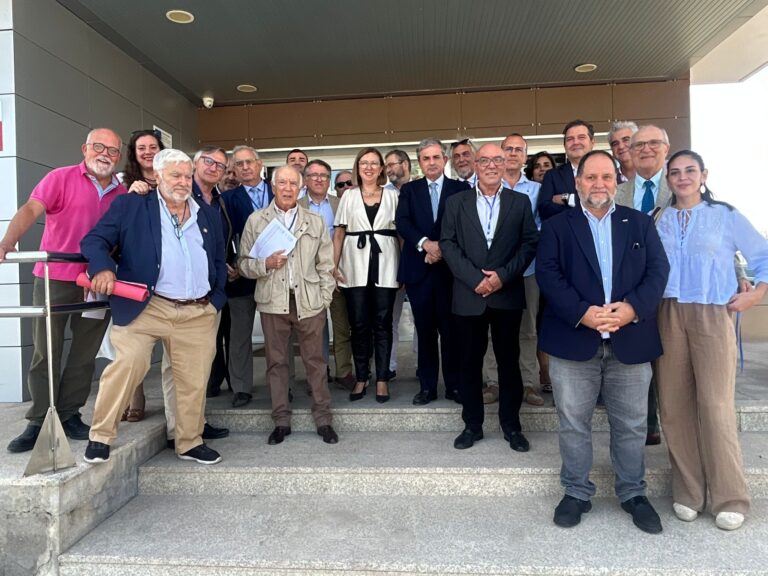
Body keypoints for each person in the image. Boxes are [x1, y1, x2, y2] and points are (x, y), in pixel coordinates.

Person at [537, 150, 669, 533]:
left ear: (617, 181)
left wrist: (632, 309)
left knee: (630, 425)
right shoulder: (558, 227)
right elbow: (548, 274)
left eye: (606, 177)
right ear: (577, 184)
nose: (599, 184)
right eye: (590, 177)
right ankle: (577, 492)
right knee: (573, 423)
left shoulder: (640, 223)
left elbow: (658, 271)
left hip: (631, 339)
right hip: (573, 339)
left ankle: (633, 493)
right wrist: (582, 312)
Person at [80, 148, 226, 465]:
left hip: (197, 311)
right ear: (157, 176)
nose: (184, 181)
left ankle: (189, 441)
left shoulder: (206, 212)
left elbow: (217, 258)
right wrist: (102, 268)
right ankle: (100, 435)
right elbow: (94, 240)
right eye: (176, 175)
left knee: (193, 379)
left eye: (188, 175)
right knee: (128, 364)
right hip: (147, 306)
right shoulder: (132, 205)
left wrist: (215, 300)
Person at [655, 150, 768, 531]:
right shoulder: (660, 219)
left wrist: (754, 294)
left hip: (712, 314)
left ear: (703, 175)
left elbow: (762, 254)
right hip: (668, 313)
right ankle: (688, 491)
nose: (682, 177)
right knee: (673, 405)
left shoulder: (726, 215)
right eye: (675, 172)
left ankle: (729, 496)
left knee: (716, 405)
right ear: (667, 180)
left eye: (690, 170)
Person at [2, 128, 127, 453]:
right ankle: (39, 419)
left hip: (97, 283)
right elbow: (31, 208)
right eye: (99, 147)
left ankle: (70, 414)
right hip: (55, 278)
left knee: (85, 354)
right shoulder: (60, 177)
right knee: (47, 350)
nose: (105, 154)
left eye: (113, 151)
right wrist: (7, 241)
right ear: (85, 148)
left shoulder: (123, 192)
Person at [440, 143, 538, 452]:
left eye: (498, 159)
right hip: (469, 295)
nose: (492, 165)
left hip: (506, 294)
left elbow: (528, 244)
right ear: (476, 164)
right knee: (469, 363)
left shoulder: (520, 202)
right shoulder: (456, 202)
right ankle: (472, 425)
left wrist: (501, 277)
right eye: (485, 160)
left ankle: (511, 426)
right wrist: (475, 279)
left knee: (509, 362)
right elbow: (448, 243)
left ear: (506, 162)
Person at [239, 165, 338, 445]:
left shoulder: (314, 221)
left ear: (300, 187)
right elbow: (243, 264)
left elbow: (326, 265)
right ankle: (281, 420)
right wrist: (264, 264)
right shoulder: (257, 220)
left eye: (292, 183)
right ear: (273, 186)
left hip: (309, 303)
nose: (286, 188)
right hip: (273, 302)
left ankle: (324, 419)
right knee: (277, 363)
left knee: (316, 362)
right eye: (281, 182)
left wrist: (324, 299)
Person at [396, 138, 468, 405]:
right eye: (426, 158)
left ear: (445, 160)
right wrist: (425, 244)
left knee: (451, 332)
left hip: (451, 273)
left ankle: (454, 385)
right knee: (425, 332)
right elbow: (402, 222)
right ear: (420, 162)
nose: (431, 162)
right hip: (419, 270)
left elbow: (464, 225)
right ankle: (427, 387)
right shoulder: (409, 190)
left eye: (436, 157)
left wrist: (441, 249)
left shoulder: (460, 189)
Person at [614, 124, 671, 446]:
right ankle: (648, 425)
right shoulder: (619, 192)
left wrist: (740, 275)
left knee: (672, 362)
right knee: (639, 358)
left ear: (666, 147)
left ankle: (674, 422)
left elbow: (713, 232)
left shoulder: (680, 183)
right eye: (639, 146)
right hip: (631, 291)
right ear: (629, 154)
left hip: (677, 290)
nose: (646, 149)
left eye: (653, 143)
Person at [333, 148, 399, 403]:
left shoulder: (393, 196)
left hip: (386, 263)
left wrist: (403, 268)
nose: (369, 167)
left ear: (381, 168)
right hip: (354, 265)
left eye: (374, 163)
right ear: (357, 168)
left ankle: (382, 378)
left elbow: (401, 234)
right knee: (359, 324)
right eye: (364, 163)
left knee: (382, 323)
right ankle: (362, 376)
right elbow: (339, 233)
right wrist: (334, 265)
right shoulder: (348, 196)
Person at [118, 129, 165, 423]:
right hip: (136, 273)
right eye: (141, 148)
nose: (147, 152)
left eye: (152, 146)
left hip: (170, 274)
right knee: (133, 343)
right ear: (133, 153)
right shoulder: (124, 185)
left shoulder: (175, 178)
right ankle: (135, 398)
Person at [221, 145, 273, 407]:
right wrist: (227, 265)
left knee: (277, 336)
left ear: (259, 163)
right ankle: (241, 387)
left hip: (276, 273)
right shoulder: (227, 199)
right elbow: (223, 236)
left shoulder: (280, 191)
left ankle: (280, 386)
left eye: (248, 162)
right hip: (240, 275)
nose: (244, 168)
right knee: (239, 335)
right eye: (238, 164)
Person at [299, 159, 354, 390]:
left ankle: (344, 372)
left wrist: (337, 266)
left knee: (342, 326)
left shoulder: (340, 203)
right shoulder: (296, 204)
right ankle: (318, 375)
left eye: (324, 175)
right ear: (305, 179)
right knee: (315, 331)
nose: (319, 179)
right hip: (308, 276)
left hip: (336, 273)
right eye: (313, 175)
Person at [383, 149, 413, 380]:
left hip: (421, 263)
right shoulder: (382, 194)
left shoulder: (421, 189)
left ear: (406, 164)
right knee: (389, 319)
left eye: (392, 164)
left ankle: (423, 366)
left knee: (424, 321)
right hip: (390, 265)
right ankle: (389, 366)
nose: (388, 169)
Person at [537, 120, 595, 221]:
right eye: (570, 139)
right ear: (565, 146)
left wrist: (568, 198)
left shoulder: (606, 172)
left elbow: (606, 203)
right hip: (565, 235)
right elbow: (544, 210)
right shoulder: (552, 176)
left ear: (592, 142)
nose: (576, 142)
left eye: (581, 137)